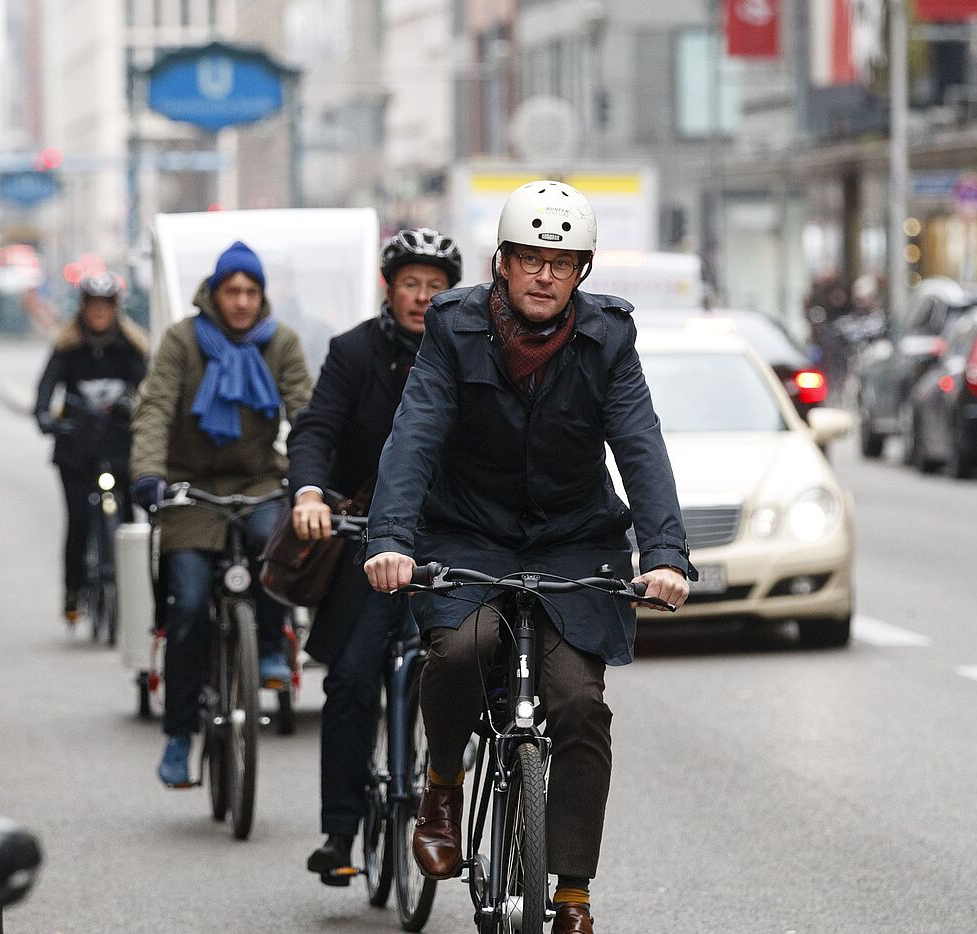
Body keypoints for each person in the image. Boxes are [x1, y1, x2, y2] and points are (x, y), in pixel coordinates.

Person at [363, 181, 694, 934]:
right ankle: (443, 786)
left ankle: (572, 892)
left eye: (564, 262)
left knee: (579, 703)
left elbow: (640, 444)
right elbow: (414, 435)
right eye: (532, 260)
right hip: (466, 531)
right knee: (460, 648)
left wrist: (665, 551)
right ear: (502, 264)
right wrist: (390, 542)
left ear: (582, 271)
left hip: (574, 538)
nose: (546, 277)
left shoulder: (608, 339)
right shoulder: (453, 327)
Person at [285, 228, 462, 883]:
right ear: (389, 289)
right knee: (352, 679)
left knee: (468, 665)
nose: (421, 298)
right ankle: (341, 831)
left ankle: (465, 788)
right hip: (366, 538)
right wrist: (309, 492)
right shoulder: (354, 352)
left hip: (449, 541)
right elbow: (317, 430)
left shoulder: (475, 350)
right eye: (410, 285)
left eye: (435, 287)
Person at [130, 240, 314, 786]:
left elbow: (306, 412)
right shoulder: (182, 341)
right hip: (191, 490)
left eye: (250, 291)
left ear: (262, 296)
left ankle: (275, 646)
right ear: (214, 293)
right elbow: (156, 407)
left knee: (275, 546)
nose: (240, 301)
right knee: (186, 607)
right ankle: (179, 735)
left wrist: (312, 480)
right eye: (231, 290)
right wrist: (149, 473)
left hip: (257, 481)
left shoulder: (280, 342)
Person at [33, 271, 149, 623]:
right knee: (80, 520)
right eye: (93, 306)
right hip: (76, 448)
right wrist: (45, 418)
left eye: (106, 306)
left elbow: (153, 391)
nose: (100, 312)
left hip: (118, 445)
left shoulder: (133, 346)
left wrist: (139, 412)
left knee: (127, 519)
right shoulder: (67, 346)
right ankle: (73, 591)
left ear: (115, 309)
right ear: (83, 308)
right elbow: (45, 388)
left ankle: (132, 595)